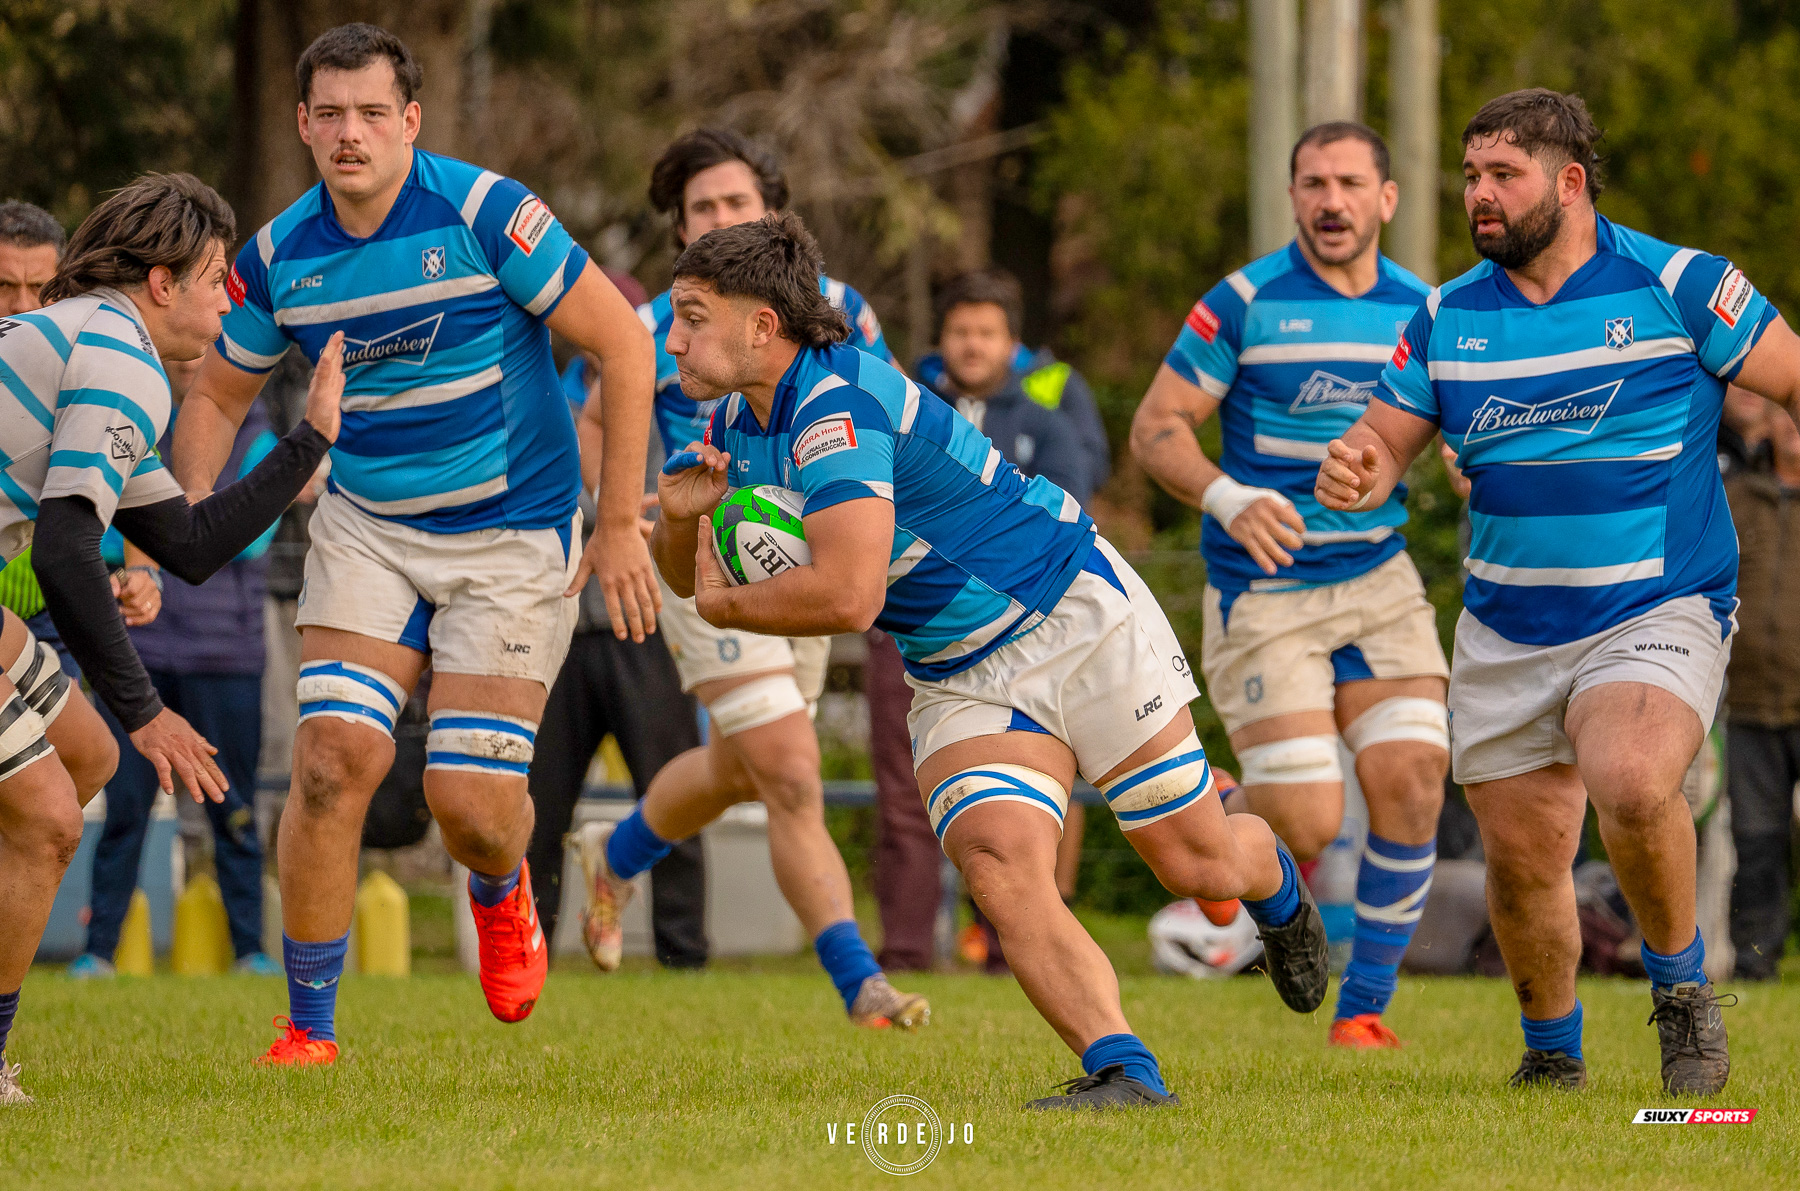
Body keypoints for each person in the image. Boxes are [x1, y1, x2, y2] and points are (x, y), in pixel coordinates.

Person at [651, 211, 1327, 1108]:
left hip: (1072, 614)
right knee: (999, 859)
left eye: (694, 316)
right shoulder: (739, 418)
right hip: (958, 667)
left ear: (761, 326)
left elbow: (846, 596)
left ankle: (1273, 881)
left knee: (1197, 863)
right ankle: (1125, 1069)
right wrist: (679, 517)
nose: (675, 337)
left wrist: (725, 596)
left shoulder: (834, 408)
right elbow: (692, 579)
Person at [173, 23, 659, 1065]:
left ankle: (500, 883)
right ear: (303, 124)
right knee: (329, 760)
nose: (352, 134)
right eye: (331, 115)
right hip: (370, 530)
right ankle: (308, 1031)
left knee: (471, 807)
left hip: (513, 531)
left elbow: (623, 341)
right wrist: (182, 518)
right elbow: (217, 388)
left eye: (373, 113)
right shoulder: (280, 256)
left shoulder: (488, 213)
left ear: (412, 121)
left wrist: (617, 524)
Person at [1317, 88, 1800, 1096]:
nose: (1479, 197)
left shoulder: (1678, 284)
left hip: (1657, 605)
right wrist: (1354, 465)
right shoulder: (1449, 314)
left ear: (1570, 183)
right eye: (1470, 178)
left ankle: (1682, 998)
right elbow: (1383, 439)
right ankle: (1552, 1050)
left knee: (1628, 778)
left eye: (1504, 176)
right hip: (1506, 627)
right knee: (1527, 863)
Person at [0, 172, 341, 1105]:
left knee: (83, 752)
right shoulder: (120, 356)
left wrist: (311, 439)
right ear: (161, 281)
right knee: (48, 816)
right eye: (217, 277)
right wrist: (150, 714)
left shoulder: (90, 340)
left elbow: (188, 544)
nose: (230, 299)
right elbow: (70, 549)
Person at [578, 129, 923, 1031]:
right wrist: (615, 518)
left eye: (736, 204)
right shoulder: (652, 325)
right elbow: (590, 427)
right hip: (707, 557)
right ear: (681, 229)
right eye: (702, 210)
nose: (720, 218)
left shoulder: (841, 307)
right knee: (793, 771)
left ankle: (612, 856)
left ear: (774, 212)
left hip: (810, 557)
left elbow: (884, 421)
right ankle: (863, 983)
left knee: (742, 771)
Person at [1130, 122, 1447, 1050]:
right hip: (1266, 587)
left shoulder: (1426, 309)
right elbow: (1156, 427)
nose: (1331, 201)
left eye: (1351, 183)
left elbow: (1462, 433)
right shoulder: (1245, 301)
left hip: (1379, 576)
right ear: (1293, 195)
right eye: (1313, 182)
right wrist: (1228, 497)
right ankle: (1223, 803)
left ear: (1387, 199)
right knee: (1310, 818)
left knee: (1416, 777)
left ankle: (1363, 1011)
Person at [905, 267, 1096, 973]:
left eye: (987, 332)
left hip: (1036, 633)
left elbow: (1068, 516)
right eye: (960, 330)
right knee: (939, 784)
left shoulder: (1047, 423)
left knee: (1051, 777)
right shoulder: (915, 414)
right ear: (943, 340)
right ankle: (929, 937)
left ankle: (1046, 916)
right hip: (934, 632)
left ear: (1013, 344)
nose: (972, 344)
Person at [70, 355, 285, 979]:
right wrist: (185, 519)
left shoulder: (258, 437)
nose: (192, 368)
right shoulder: (130, 428)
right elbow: (93, 534)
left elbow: (251, 537)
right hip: (140, 655)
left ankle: (250, 952)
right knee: (126, 809)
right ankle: (98, 952)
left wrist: (152, 517)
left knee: (235, 810)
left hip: (227, 660)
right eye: (182, 359)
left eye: (204, 359)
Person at [525, 266, 709, 970]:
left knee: (673, 790)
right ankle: (528, 947)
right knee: (539, 801)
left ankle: (684, 953)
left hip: (647, 622)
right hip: (563, 623)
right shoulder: (544, 388)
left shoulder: (665, 389)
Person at [0, 201, 164, 670]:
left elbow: (137, 471)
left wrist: (144, 571)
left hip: (52, 615)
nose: (23, 305)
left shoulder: (88, 366)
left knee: (91, 748)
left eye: (39, 287)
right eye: (5, 286)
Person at [1719, 387, 1800, 981]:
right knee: (1756, 841)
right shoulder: (1735, 497)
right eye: (1788, 421)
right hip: (1748, 701)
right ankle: (1756, 964)